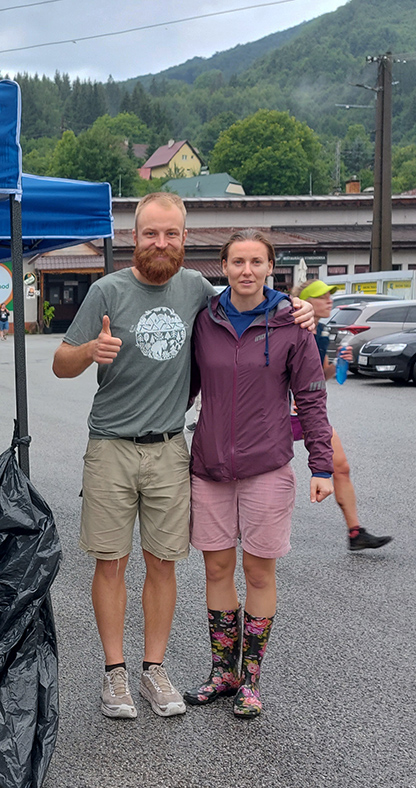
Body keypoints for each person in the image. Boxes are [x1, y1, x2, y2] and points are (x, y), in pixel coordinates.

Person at [51, 192, 316, 721]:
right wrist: (88, 352)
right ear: (133, 237)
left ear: (184, 239)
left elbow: (249, 295)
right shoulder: (106, 290)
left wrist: (296, 306)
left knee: (163, 562)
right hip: (110, 446)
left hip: (172, 448)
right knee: (110, 562)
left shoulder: (196, 288)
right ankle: (114, 672)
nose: (161, 242)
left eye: (170, 233)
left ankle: (154, 668)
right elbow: (61, 363)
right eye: (151, 233)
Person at [185, 230, 334, 718]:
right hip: (209, 467)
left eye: (256, 261)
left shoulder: (293, 323)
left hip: (266, 467)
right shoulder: (205, 319)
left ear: (271, 267)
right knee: (216, 568)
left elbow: (311, 396)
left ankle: (250, 680)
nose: (246, 270)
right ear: (224, 266)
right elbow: (184, 385)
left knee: (258, 570)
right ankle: (222, 672)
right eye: (237, 262)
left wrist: (321, 464)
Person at [295, 279, 392, 551]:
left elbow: (320, 375)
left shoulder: (322, 331)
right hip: (276, 413)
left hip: (308, 414)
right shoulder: (289, 326)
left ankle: (355, 532)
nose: (329, 301)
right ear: (306, 301)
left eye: (330, 296)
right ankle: (242, 524)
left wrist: (339, 362)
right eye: (322, 296)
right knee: (259, 470)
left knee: (340, 467)